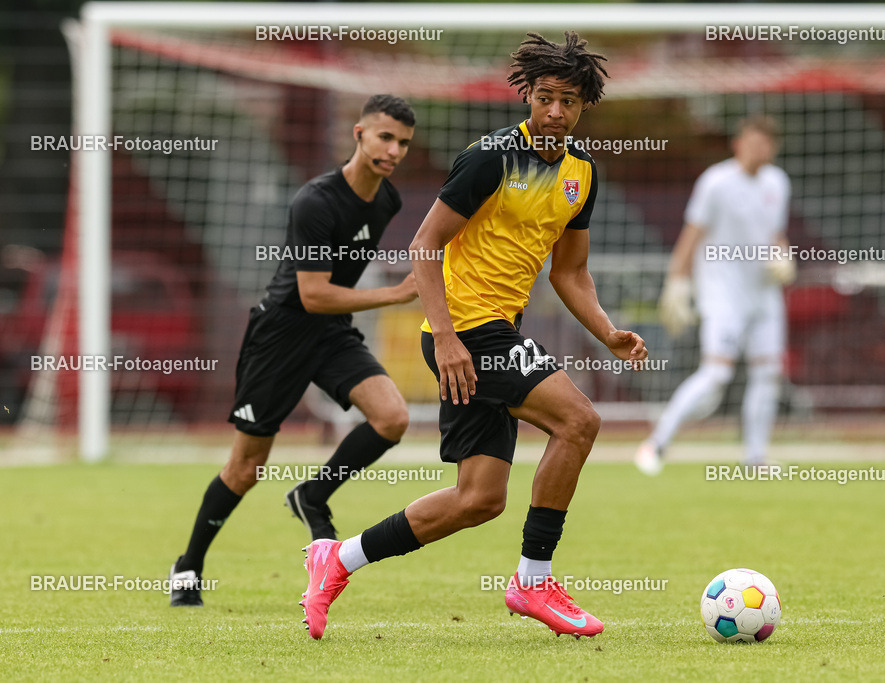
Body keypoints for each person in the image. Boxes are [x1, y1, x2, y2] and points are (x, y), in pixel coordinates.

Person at [298, 32, 647, 640]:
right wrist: (451, 338)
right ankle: (534, 581)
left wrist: (608, 332)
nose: (555, 112)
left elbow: (570, 271)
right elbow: (425, 245)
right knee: (579, 422)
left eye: (568, 100)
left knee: (479, 498)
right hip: (468, 335)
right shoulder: (490, 158)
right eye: (544, 97)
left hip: (495, 332)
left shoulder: (581, 174)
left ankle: (338, 557)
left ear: (584, 105)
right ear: (527, 97)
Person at [169, 95, 419, 607]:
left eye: (403, 143)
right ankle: (188, 565)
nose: (393, 150)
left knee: (392, 417)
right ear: (359, 134)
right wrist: (395, 292)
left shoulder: (387, 200)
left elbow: (333, 299)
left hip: (330, 335)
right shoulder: (315, 201)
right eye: (385, 137)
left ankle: (312, 494)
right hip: (281, 335)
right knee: (246, 467)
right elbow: (313, 293)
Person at [635, 115, 793, 476]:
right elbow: (691, 235)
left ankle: (755, 458)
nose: (759, 149)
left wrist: (784, 256)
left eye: (767, 143)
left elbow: (776, 234)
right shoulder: (716, 182)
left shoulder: (777, 183)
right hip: (724, 294)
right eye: (753, 141)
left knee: (767, 374)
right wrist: (677, 282)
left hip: (764, 295)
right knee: (716, 376)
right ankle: (656, 443)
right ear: (738, 143)